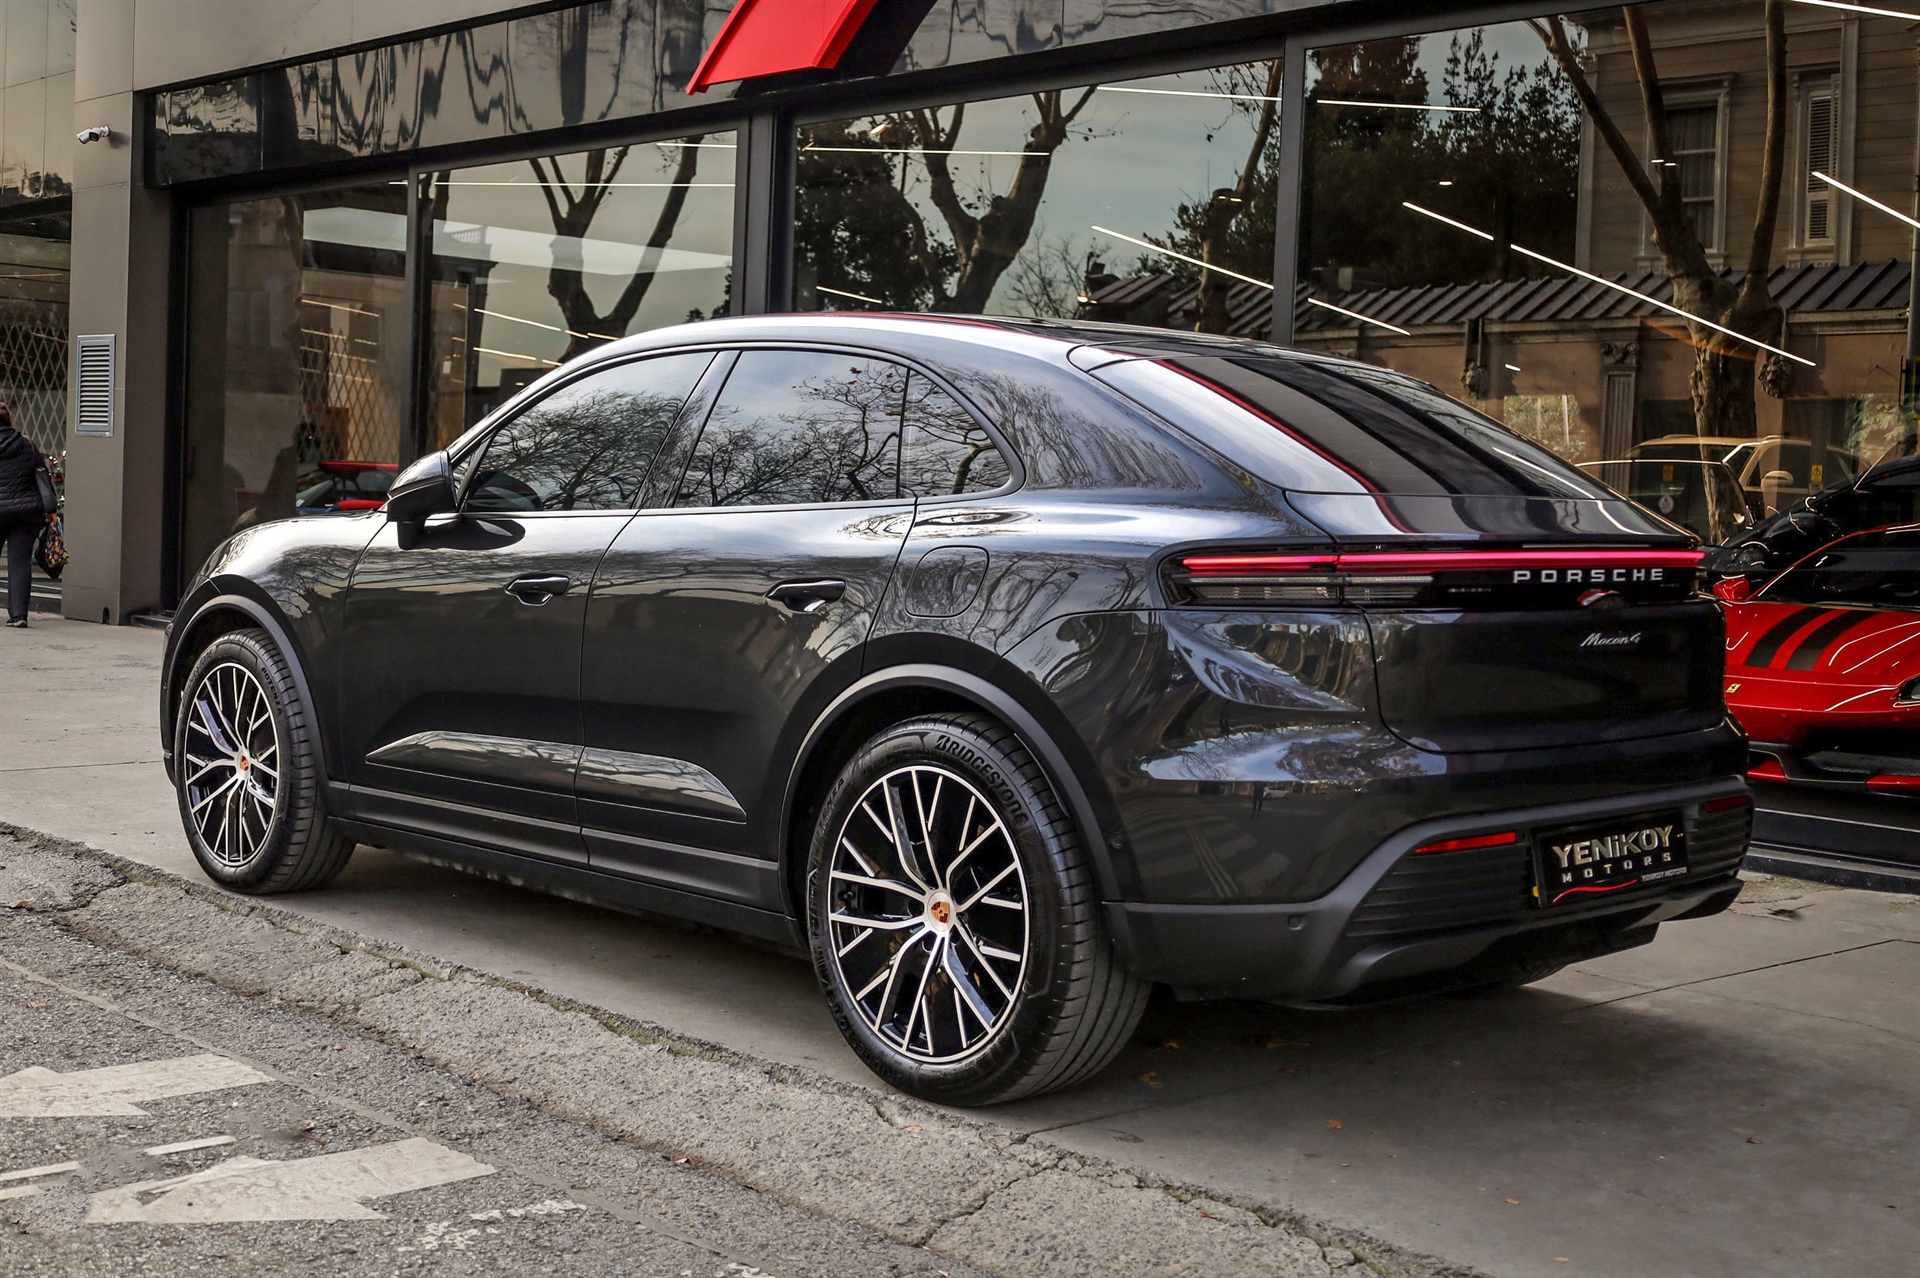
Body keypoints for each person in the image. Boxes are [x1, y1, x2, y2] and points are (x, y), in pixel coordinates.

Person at [0, 403, 53, 628]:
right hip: (25, 513)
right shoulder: (27, 444)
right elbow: (42, 474)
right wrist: (50, 510)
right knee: (20, 562)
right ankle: (19, 615)